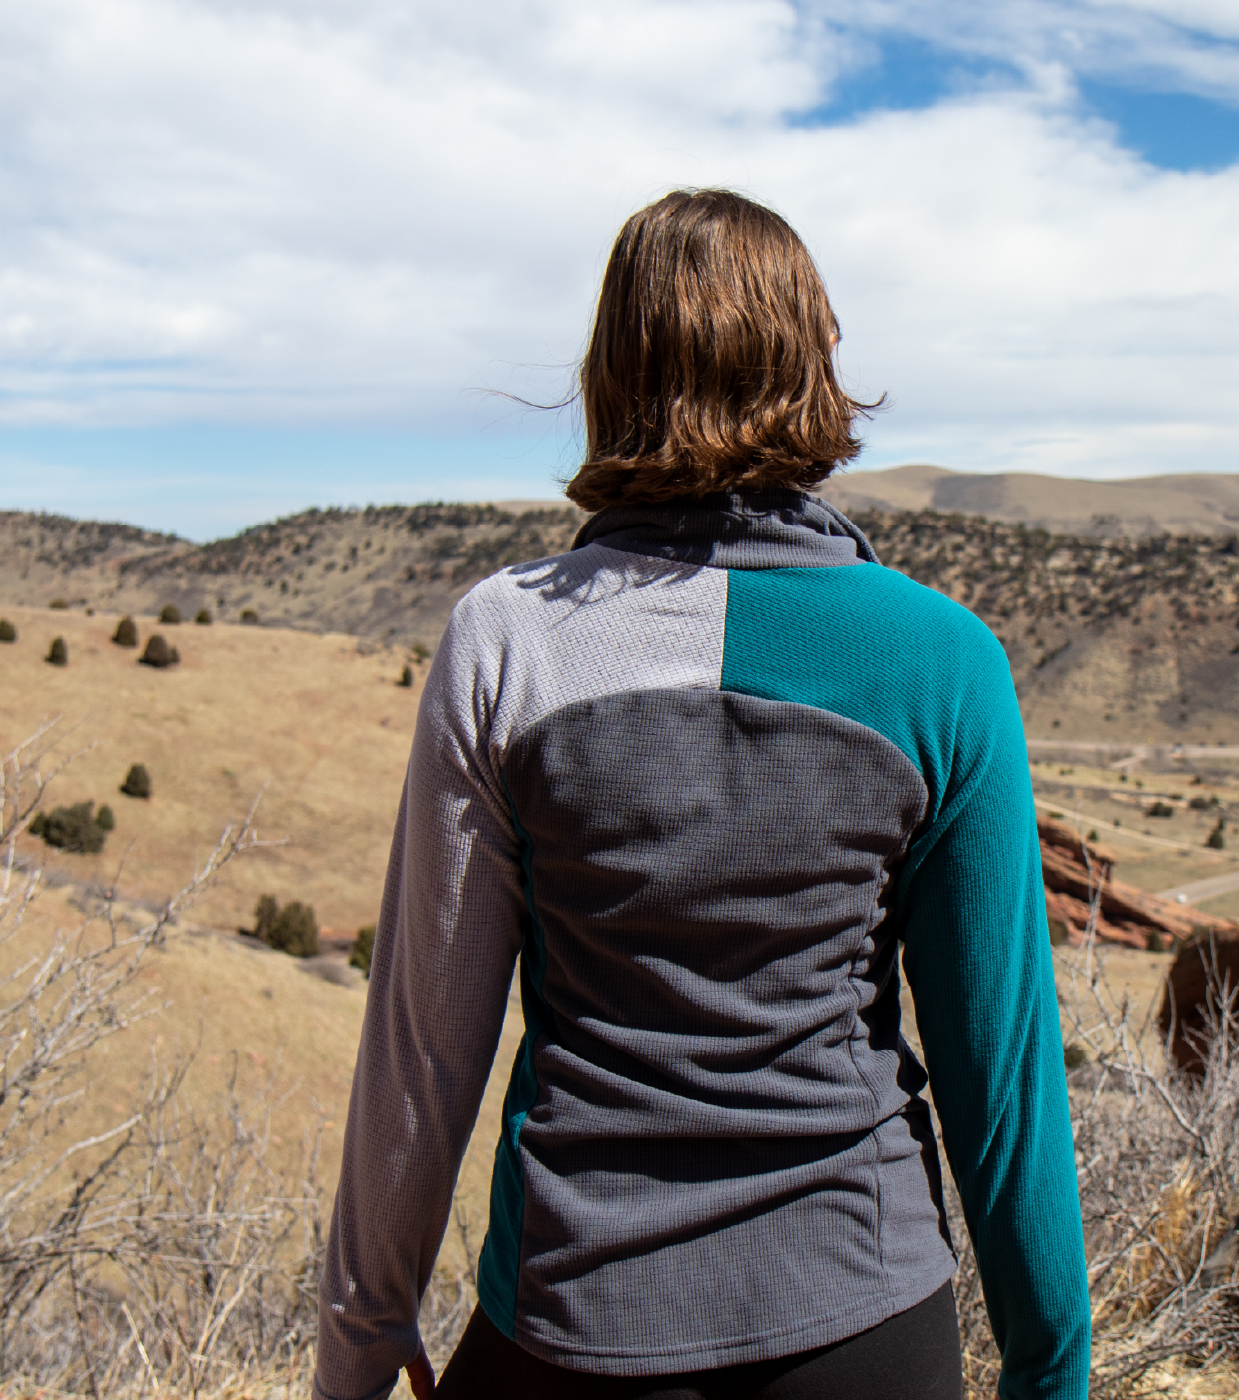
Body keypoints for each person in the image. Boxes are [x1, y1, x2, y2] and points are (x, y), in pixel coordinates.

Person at [313, 189, 1090, 1400]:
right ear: (816, 361)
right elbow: (1004, 1084)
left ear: (612, 372)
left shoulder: (507, 641)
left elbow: (425, 1049)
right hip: (865, 1322)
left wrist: (360, 1344)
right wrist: (1049, 1369)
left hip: (572, 1324)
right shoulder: (941, 661)